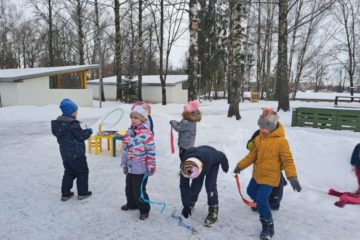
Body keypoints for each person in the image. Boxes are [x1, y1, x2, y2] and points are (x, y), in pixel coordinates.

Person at [234, 108, 301, 240]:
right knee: (250, 191)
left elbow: (288, 160)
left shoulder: (281, 142)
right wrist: (239, 166)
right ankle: (262, 205)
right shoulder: (259, 139)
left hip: (270, 178)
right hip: (257, 175)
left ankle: (268, 225)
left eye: (263, 127)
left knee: (261, 200)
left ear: (272, 127)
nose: (260, 129)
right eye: (260, 126)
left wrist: (292, 177)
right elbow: (251, 156)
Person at [51, 98, 93, 201]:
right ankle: (83, 193)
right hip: (77, 154)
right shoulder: (73, 124)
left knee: (69, 171)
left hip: (65, 154)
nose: (77, 112)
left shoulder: (58, 124)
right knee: (82, 171)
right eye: (76, 111)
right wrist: (88, 131)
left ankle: (65, 193)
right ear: (72, 112)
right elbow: (81, 136)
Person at [120, 105, 156, 220]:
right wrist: (124, 164)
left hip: (141, 168)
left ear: (143, 119)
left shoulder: (147, 134)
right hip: (130, 166)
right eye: (132, 117)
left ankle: (144, 209)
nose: (133, 120)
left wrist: (151, 166)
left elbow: (151, 151)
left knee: (138, 190)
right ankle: (131, 204)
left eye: (136, 117)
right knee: (129, 188)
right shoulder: (129, 132)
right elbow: (125, 149)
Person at [179, 145, 229, 227]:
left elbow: (221, 155)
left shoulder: (211, 156)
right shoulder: (185, 166)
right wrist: (186, 204)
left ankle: (213, 208)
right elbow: (184, 186)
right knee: (196, 184)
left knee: (210, 185)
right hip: (197, 161)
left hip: (212, 162)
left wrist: (225, 165)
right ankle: (191, 201)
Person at [246, 130, 287, 211]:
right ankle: (259, 201)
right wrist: (251, 144)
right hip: (261, 165)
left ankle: (274, 202)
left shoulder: (277, 135)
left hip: (274, 166)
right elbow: (249, 144)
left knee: (275, 185)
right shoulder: (258, 133)